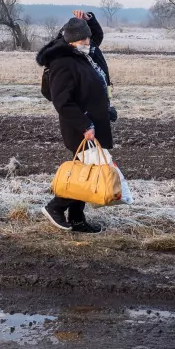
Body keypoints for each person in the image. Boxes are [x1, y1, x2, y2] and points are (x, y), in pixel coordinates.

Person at [36, 15, 114, 233]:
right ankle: (55, 207)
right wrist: (85, 125)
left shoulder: (85, 54)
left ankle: (77, 219)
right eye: (82, 40)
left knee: (85, 172)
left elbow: (96, 38)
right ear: (70, 41)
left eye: (87, 39)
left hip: (93, 121)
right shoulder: (63, 62)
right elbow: (62, 101)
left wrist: (89, 18)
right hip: (79, 126)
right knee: (87, 170)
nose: (87, 43)